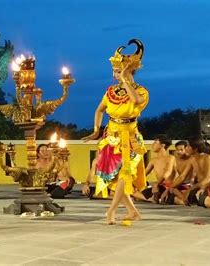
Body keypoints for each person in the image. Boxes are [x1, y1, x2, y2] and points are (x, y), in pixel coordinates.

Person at [82, 39, 148, 224]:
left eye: (119, 71)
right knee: (113, 177)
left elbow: (135, 101)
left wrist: (126, 79)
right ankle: (132, 211)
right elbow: (100, 110)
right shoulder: (111, 91)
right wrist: (96, 130)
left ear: (130, 71)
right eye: (115, 71)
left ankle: (110, 211)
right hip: (112, 137)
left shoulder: (142, 91)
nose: (115, 75)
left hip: (131, 140)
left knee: (124, 175)